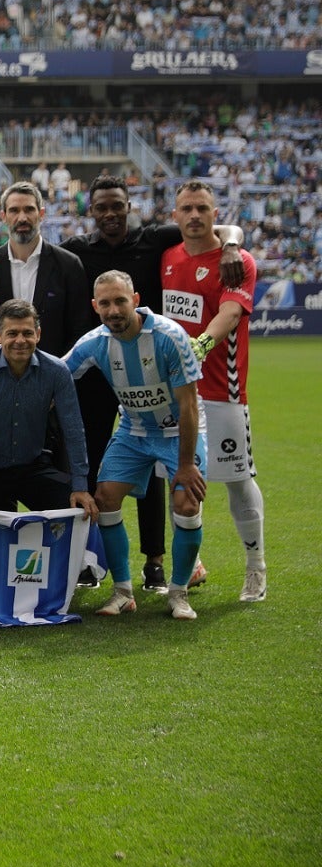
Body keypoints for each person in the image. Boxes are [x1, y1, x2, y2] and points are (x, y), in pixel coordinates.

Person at [60, 174, 245, 593]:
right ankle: (93, 561)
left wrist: (232, 244)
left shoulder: (155, 238)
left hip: (156, 364)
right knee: (101, 471)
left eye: (116, 206)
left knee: (159, 478)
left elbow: (216, 228)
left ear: (129, 207)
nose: (109, 213)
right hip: (102, 368)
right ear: (92, 211)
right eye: (101, 207)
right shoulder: (76, 249)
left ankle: (157, 563)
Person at [64, 271, 208, 621]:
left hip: (178, 432)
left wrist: (187, 465)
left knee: (186, 504)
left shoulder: (169, 337)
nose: (113, 310)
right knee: (106, 498)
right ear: (95, 306)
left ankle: (178, 592)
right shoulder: (95, 341)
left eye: (120, 301)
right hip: (134, 430)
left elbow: (188, 406)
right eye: (106, 303)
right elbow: (55, 373)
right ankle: (123, 591)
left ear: (136, 299)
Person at [160, 180, 267, 603]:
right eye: (186, 208)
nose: (194, 216)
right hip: (174, 390)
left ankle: (255, 567)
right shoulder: (167, 256)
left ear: (214, 213)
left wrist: (201, 344)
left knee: (237, 479)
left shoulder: (237, 260)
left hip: (221, 389)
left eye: (202, 208)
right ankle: (193, 561)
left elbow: (230, 312)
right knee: (178, 476)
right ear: (175, 215)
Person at [0, 300, 97, 518]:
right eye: (12, 333)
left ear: (38, 334)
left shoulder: (57, 371)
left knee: (78, 512)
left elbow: (73, 430)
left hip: (32, 466)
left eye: (27, 333)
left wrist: (81, 486)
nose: (20, 340)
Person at [0, 182, 91, 355]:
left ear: (41, 214)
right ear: (3, 216)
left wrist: (58, 371)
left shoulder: (68, 265)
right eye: (14, 211)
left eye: (29, 210)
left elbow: (79, 330)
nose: (22, 218)